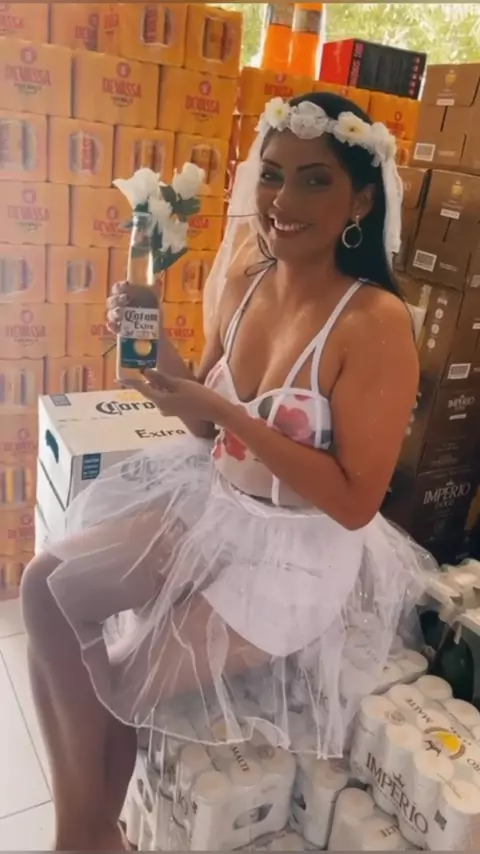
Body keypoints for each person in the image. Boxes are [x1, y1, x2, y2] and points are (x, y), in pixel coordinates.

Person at [21, 92, 436, 851]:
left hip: (295, 555)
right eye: (272, 175)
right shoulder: (246, 274)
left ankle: (82, 838)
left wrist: (234, 417)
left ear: (361, 200)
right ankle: (87, 833)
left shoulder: (374, 324)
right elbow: (206, 424)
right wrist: (154, 343)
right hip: (214, 501)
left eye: (314, 179)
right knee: (44, 587)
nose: (282, 200)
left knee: (120, 680)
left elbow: (353, 502)